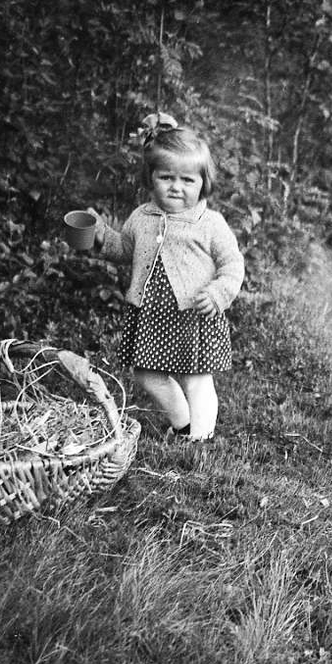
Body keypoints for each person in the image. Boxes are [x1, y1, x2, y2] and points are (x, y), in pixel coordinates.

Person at [90, 113, 244, 442]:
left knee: (196, 379)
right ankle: (182, 421)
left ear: (204, 182)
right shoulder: (142, 217)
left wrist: (219, 293)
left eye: (188, 180)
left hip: (193, 314)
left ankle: (199, 439)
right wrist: (102, 236)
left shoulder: (210, 223)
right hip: (151, 313)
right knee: (146, 374)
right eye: (166, 177)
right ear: (151, 177)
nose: (176, 187)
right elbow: (125, 249)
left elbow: (232, 264)